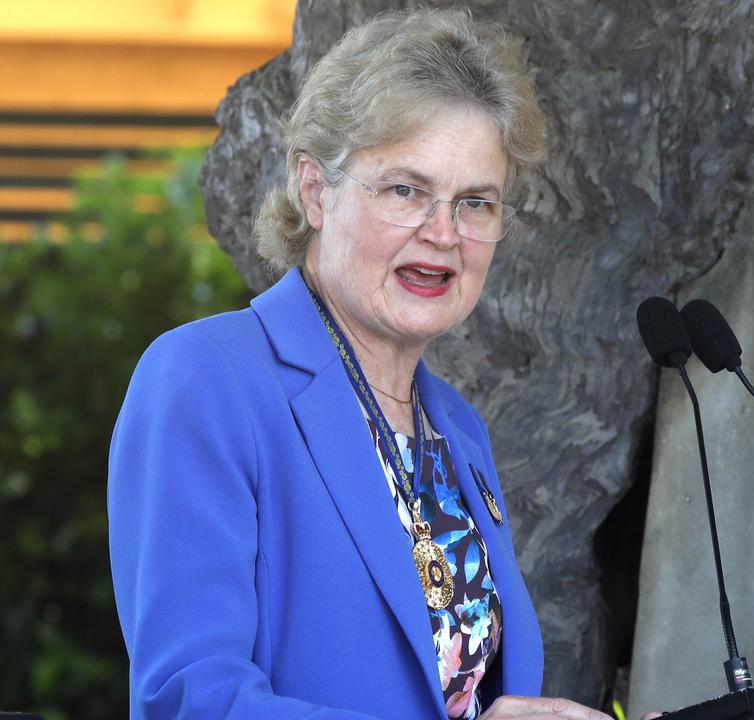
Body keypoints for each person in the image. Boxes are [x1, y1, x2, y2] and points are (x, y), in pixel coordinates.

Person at [108, 9, 612, 720]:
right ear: (315, 190)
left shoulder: (458, 432)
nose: (443, 234)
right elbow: (191, 699)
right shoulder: (206, 379)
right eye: (406, 190)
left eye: (475, 202)